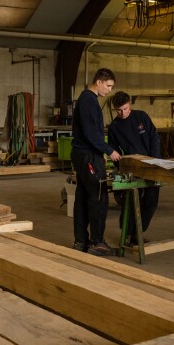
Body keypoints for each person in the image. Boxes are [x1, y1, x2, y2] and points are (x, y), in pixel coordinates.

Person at [71, 68, 121, 256]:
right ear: (99, 81)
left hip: (82, 155)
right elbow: (91, 134)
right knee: (99, 198)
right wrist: (110, 151)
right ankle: (97, 242)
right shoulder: (89, 100)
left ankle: (81, 242)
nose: (109, 90)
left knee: (83, 198)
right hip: (89, 156)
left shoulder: (86, 100)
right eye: (108, 86)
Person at [107, 91, 160, 245]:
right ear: (114, 109)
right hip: (131, 168)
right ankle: (127, 234)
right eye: (118, 110)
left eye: (125, 108)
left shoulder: (141, 117)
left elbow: (154, 137)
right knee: (130, 202)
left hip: (151, 165)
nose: (122, 113)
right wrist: (121, 166)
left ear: (129, 104)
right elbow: (113, 150)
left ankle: (138, 233)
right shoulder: (114, 127)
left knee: (151, 201)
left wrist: (156, 161)